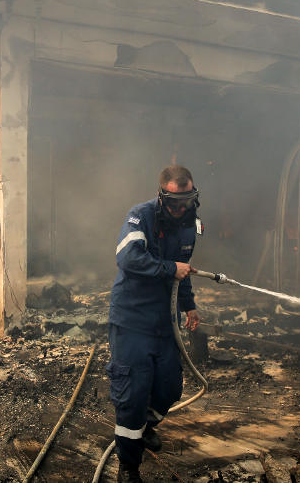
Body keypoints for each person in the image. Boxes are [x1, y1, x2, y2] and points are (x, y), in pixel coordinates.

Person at [108, 164, 202, 482]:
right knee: (132, 394)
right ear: (161, 196)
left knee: (169, 387)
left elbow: (182, 270)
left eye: (187, 201)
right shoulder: (141, 216)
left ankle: (146, 426)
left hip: (164, 321)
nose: (181, 208)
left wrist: (189, 305)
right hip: (132, 320)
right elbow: (127, 257)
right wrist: (169, 268)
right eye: (175, 202)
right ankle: (128, 467)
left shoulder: (189, 226)